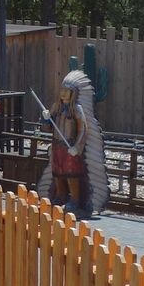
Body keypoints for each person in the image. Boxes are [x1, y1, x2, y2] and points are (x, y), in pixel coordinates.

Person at [39, 69, 109, 216]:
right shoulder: (56, 107)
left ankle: (75, 200)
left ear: (73, 93)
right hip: (57, 145)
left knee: (72, 173)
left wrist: (77, 147)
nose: (63, 93)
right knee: (57, 172)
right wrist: (46, 119)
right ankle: (61, 196)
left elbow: (83, 129)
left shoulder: (77, 109)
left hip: (69, 146)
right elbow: (47, 128)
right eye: (62, 90)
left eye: (67, 91)